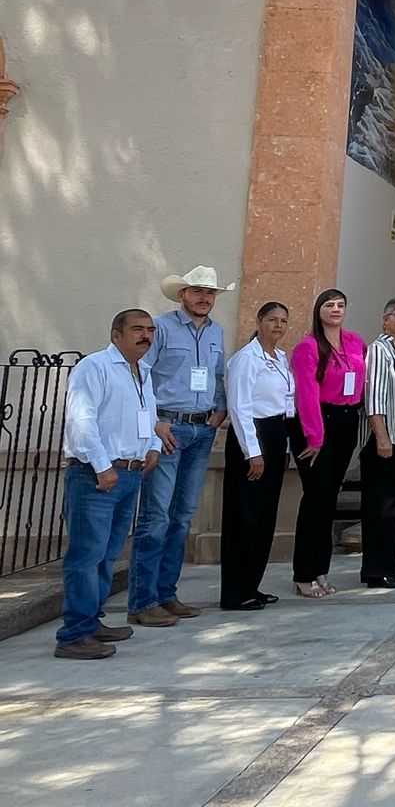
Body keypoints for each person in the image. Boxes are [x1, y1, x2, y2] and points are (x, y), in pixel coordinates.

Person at [127, 265, 231, 628]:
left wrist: (219, 409)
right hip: (168, 430)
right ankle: (143, 600)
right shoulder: (161, 328)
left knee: (183, 516)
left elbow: (218, 375)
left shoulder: (216, 331)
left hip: (201, 431)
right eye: (198, 291)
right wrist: (154, 423)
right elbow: (139, 375)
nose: (205, 298)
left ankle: (166, 594)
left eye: (211, 293)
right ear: (182, 294)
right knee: (156, 516)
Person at [55, 310, 161, 658]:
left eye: (149, 330)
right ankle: (74, 634)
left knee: (107, 555)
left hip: (129, 473)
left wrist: (153, 448)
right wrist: (102, 466)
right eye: (137, 329)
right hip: (97, 477)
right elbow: (81, 420)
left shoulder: (143, 372)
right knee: (86, 556)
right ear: (116, 334)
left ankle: (91, 620)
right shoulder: (95, 367)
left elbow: (150, 417)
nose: (145, 335)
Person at [287, 288, 366, 599]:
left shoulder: (355, 341)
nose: (335, 309)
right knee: (315, 499)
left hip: (347, 421)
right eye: (329, 305)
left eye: (340, 305)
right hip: (318, 424)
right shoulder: (307, 347)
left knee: (330, 498)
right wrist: (315, 436)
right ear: (318, 310)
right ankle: (303, 573)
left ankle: (321, 568)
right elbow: (306, 394)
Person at [220, 302, 295, 610]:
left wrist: (286, 446)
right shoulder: (245, 359)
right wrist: (254, 452)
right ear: (260, 322)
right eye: (272, 319)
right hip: (252, 438)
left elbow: (287, 402)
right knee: (244, 515)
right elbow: (239, 408)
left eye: (283, 321)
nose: (278, 325)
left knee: (265, 516)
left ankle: (252, 583)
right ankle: (235, 591)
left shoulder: (280, 358)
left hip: (277, 436)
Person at [360, 297, 395, 589]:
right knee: (380, 509)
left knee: (394, 509)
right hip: (385, 441)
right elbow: (374, 395)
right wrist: (381, 436)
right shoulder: (379, 350)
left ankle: (387, 568)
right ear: (385, 320)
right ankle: (376, 570)